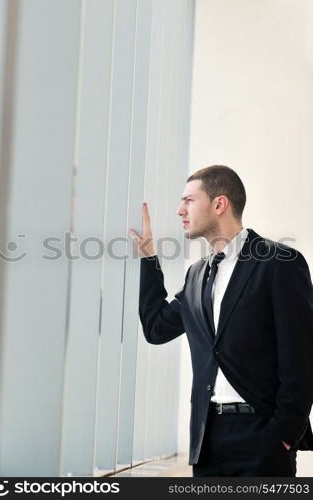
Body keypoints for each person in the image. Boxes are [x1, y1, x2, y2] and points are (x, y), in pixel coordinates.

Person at [129, 165, 313, 477]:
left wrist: (284, 434)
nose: (179, 210)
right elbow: (156, 328)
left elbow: (301, 355)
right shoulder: (197, 275)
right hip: (207, 439)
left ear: (219, 204)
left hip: (262, 436)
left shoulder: (279, 263)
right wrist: (148, 258)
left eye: (188, 200)